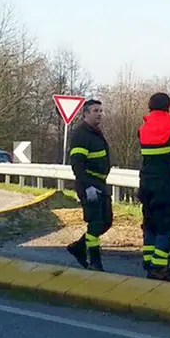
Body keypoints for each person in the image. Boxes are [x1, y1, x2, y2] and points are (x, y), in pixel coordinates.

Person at [138, 92, 170, 280]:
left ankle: (148, 261)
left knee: (150, 223)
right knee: (167, 225)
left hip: (146, 183)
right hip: (166, 184)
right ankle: (158, 268)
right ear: (167, 106)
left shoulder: (143, 128)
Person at [66, 99, 112, 271]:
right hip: (89, 184)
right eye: (95, 111)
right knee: (95, 223)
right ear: (86, 113)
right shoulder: (81, 135)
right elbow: (77, 164)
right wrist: (87, 186)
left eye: (101, 110)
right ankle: (95, 261)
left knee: (106, 222)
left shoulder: (95, 133)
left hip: (100, 183)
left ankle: (78, 247)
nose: (99, 114)